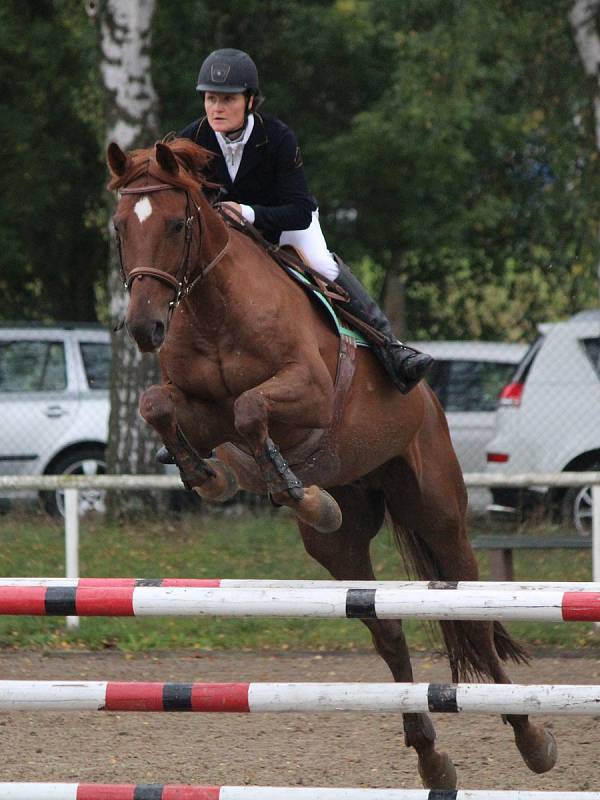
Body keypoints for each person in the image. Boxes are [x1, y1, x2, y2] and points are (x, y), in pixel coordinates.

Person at [179, 48, 433, 394]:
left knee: (322, 265)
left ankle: (391, 347)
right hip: (228, 239)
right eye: (211, 99)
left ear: (250, 101)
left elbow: (298, 209)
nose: (217, 108)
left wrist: (248, 212)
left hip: (287, 226)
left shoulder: (279, 137)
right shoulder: (191, 140)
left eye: (228, 99)